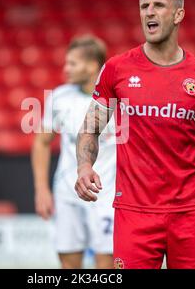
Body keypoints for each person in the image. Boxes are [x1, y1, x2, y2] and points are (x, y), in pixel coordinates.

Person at [75, 0, 195, 269]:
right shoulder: (117, 69)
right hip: (134, 213)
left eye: (158, 5)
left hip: (190, 213)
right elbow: (90, 129)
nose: (149, 12)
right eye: (144, 6)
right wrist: (84, 166)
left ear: (178, 15)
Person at [31, 35, 116, 269]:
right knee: (68, 264)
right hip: (67, 193)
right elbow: (42, 142)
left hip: (107, 195)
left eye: (73, 64)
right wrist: (41, 189)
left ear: (91, 66)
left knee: (106, 265)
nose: (65, 69)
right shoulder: (60, 97)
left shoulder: (118, 99)